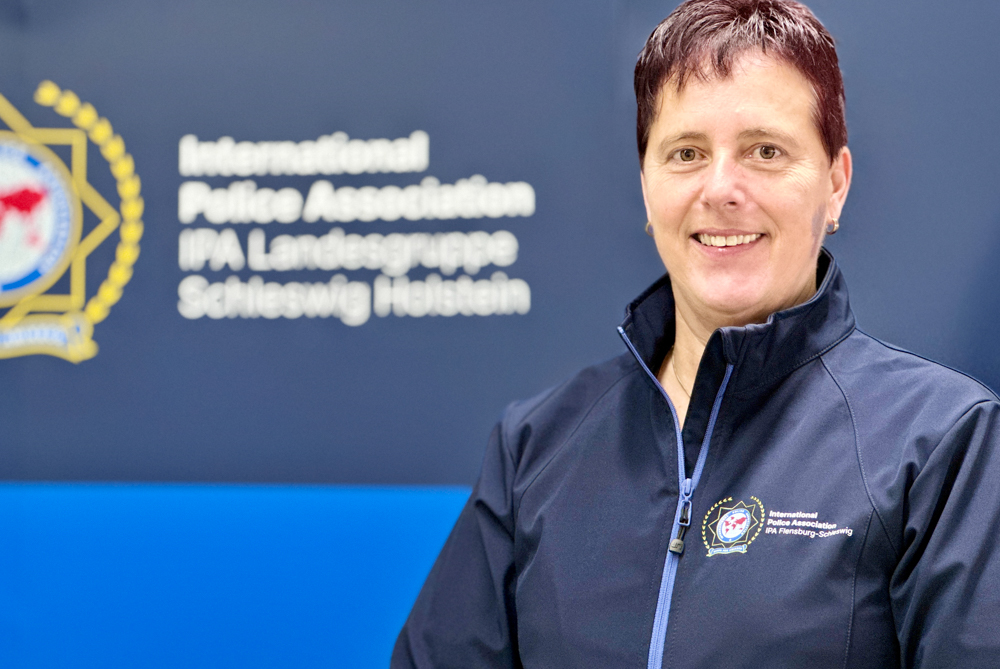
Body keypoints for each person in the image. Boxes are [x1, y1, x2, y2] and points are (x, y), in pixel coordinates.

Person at [392, 1, 1000, 666]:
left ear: (835, 185)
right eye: (686, 153)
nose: (721, 189)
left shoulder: (942, 443)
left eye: (765, 151)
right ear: (647, 186)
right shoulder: (536, 445)